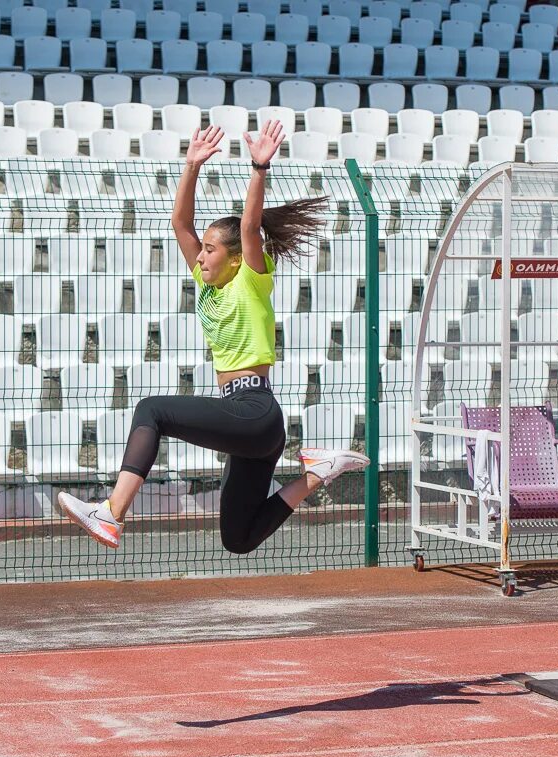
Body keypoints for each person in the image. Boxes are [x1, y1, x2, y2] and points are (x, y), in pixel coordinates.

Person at [55, 120, 369, 552]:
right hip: (247, 424)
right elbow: (180, 222)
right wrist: (191, 167)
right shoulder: (207, 284)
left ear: (236, 259)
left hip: (255, 409)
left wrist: (258, 169)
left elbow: (249, 228)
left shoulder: (252, 279)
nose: (200, 256)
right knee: (238, 538)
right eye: (201, 249)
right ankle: (318, 473)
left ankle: (112, 512)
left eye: (210, 249)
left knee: (152, 410)